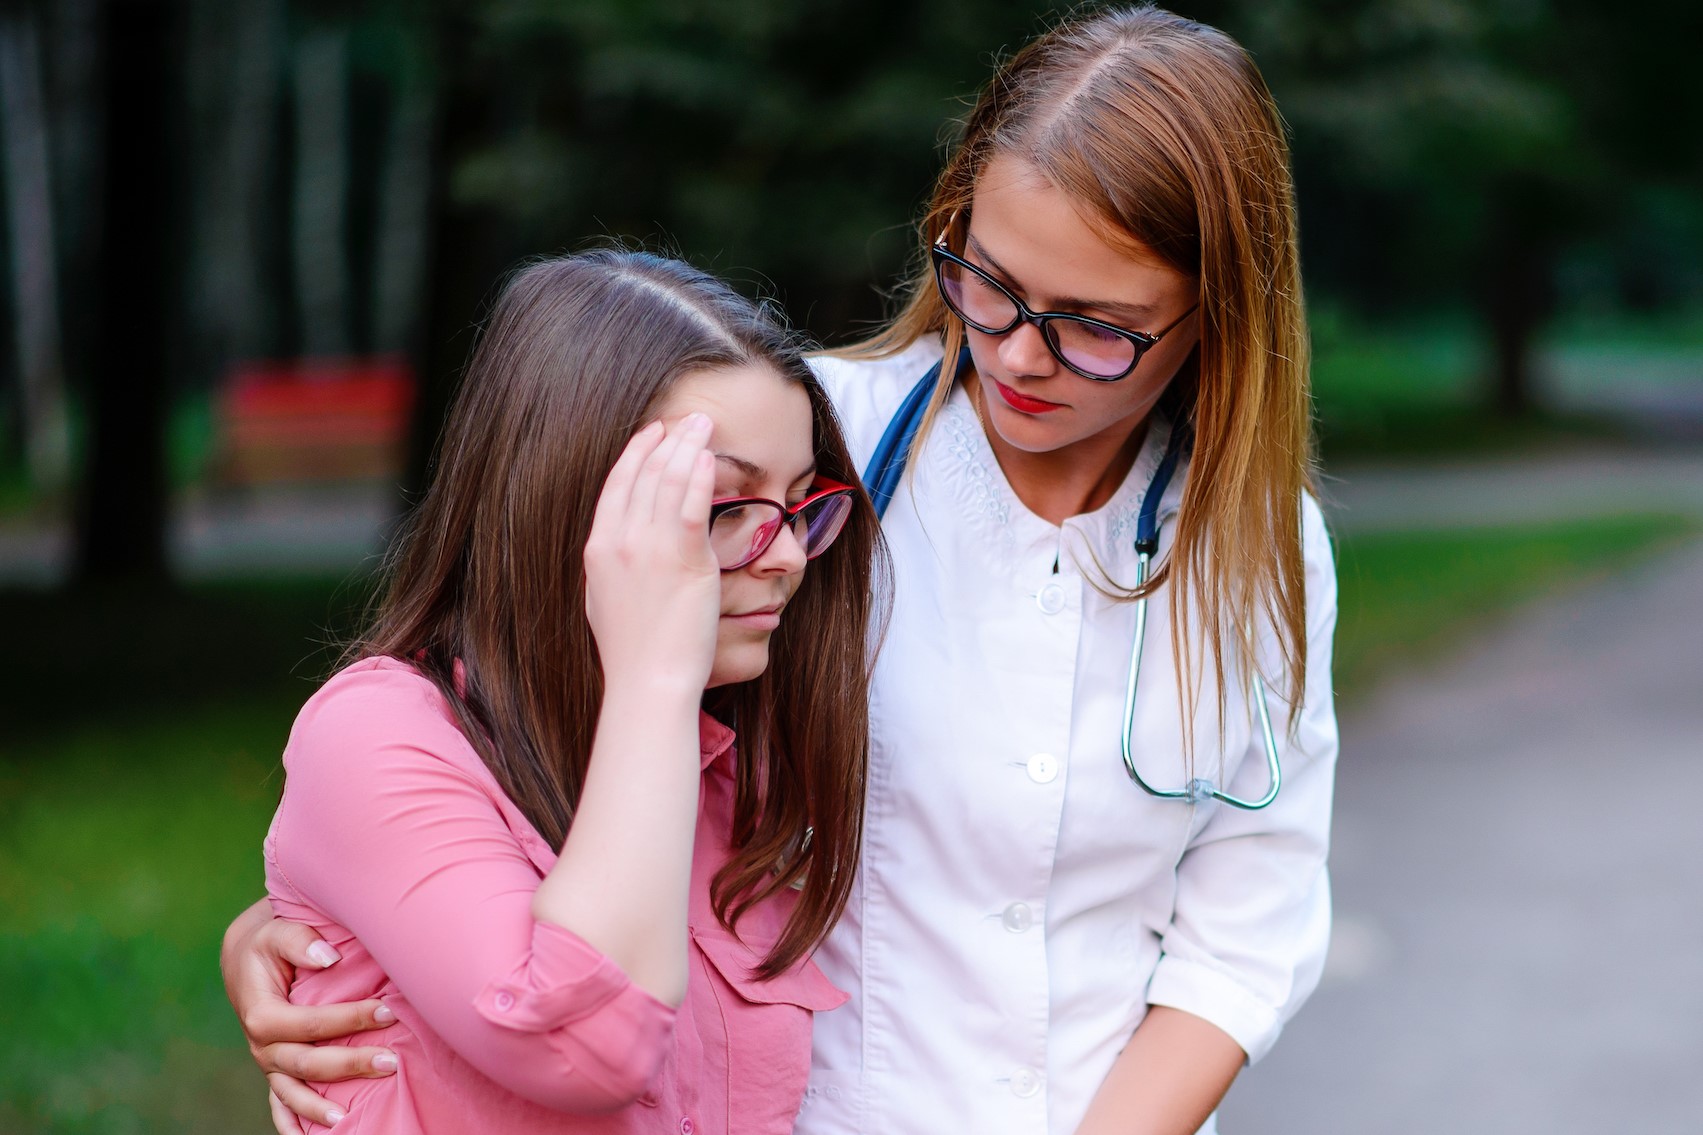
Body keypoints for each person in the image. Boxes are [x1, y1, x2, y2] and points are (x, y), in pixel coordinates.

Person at [226, 7, 1338, 1133]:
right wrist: (308, 928)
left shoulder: (1264, 548)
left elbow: (1244, 930)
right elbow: (537, 720)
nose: (1014, 352)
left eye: (1095, 326)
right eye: (988, 282)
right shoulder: (796, 459)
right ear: (948, 223)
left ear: (1213, 316)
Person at [233, 248, 886, 1134]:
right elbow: (584, 1042)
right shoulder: (376, 732)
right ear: (564, 497)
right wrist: (653, 673)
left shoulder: (736, 766)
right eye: (724, 508)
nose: (786, 555)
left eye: (801, 502)